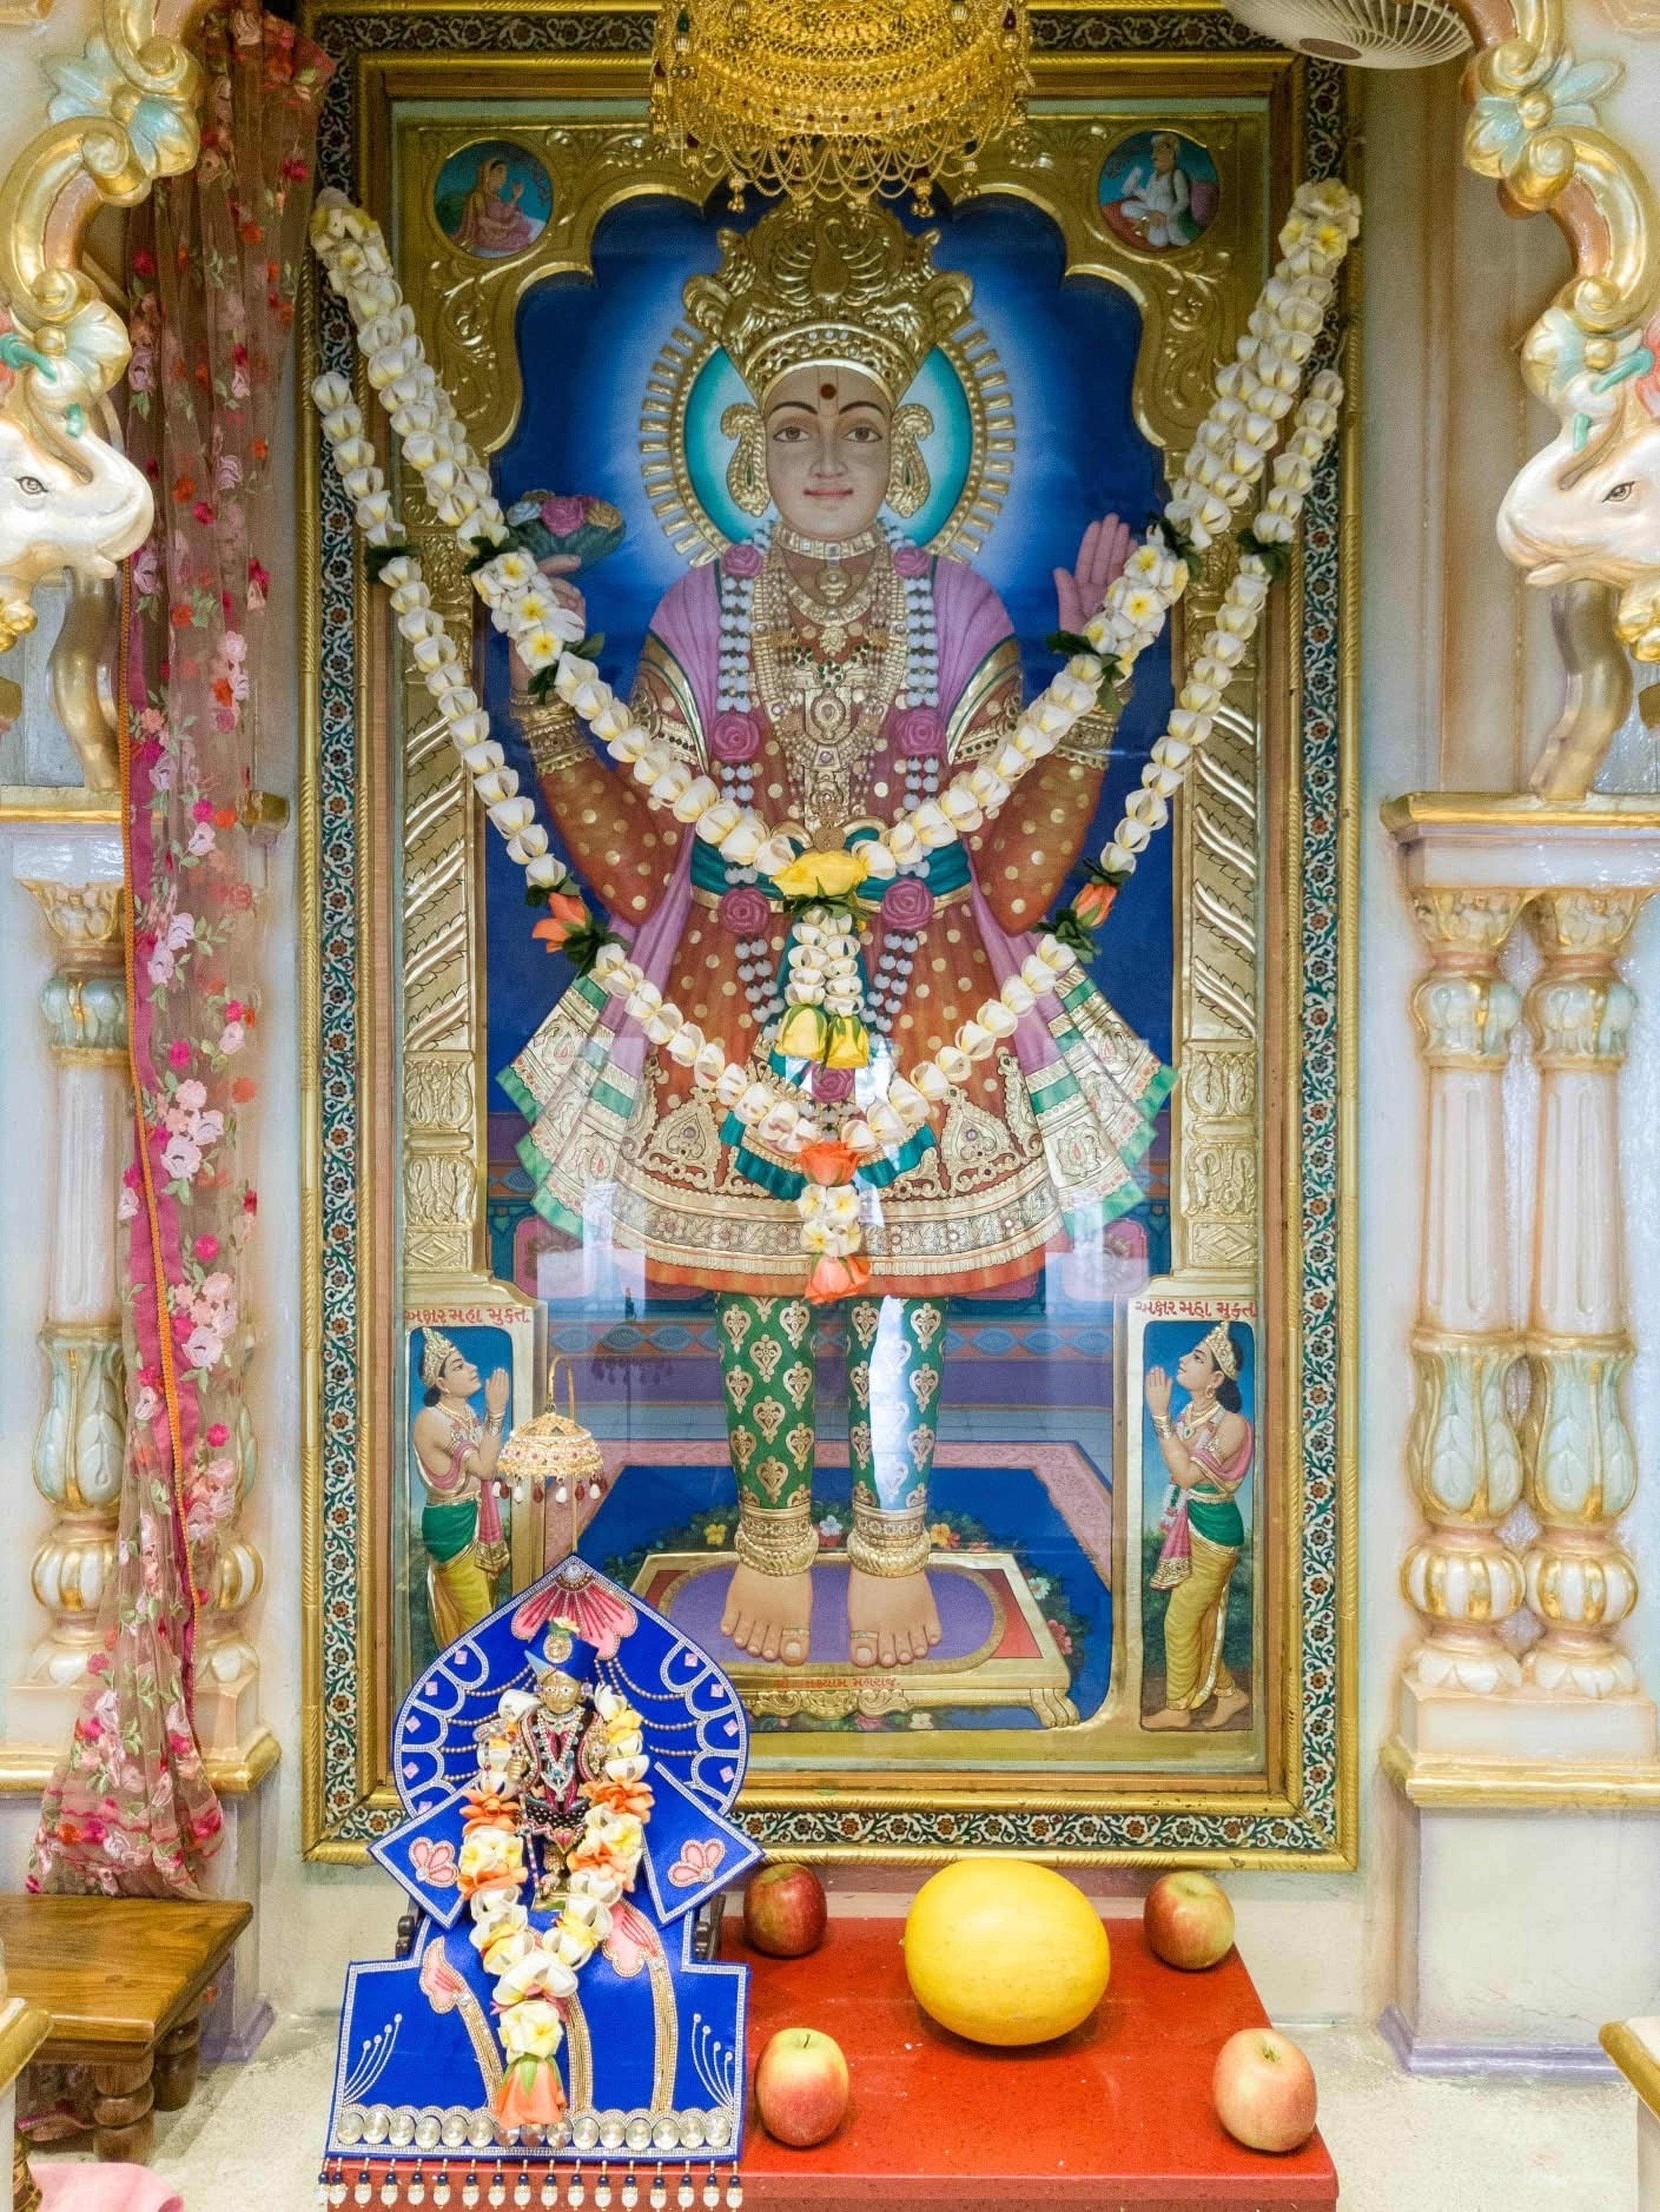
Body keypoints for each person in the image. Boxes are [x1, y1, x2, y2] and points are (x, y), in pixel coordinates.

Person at [505, 203, 1170, 1675]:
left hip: (924, 993)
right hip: (729, 994)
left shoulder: (959, 603)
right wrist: (549, 696)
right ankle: (768, 1534)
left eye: (860, 427)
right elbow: (644, 852)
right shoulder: (701, 606)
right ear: (746, 453)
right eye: (797, 426)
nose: (826, 455)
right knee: (756, 1278)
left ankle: (890, 1535)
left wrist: (1100, 685)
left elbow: (1013, 868)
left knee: (900, 1283)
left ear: (908, 454)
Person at [1143, 1321, 1252, 1730]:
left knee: (1180, 1620)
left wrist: (1158, 1416)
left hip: (1217, 1532)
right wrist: (1168, 1421)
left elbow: (1187, 1476)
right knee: (1201, 1619)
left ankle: (1178, 1708)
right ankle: (1229, 1694)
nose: (1184, 1360)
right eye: (1190, 1353)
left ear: (1216, 1380)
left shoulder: (1233, 1425)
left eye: (1197, 1357)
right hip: (1192, 1523)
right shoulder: (1189, 1414)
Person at [413, 1329, 512, 1643]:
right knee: (479, 1617)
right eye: (459, 1366)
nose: (472, 1368)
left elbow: (491, 1460)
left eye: (466, 1362)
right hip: (453, 1526)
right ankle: (473, 1671)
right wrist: (496, 1412)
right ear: (442, 1384)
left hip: (475, 1518)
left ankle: (468, 1667)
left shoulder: (466, 1413)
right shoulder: (431, 1420)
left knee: (481, 1611)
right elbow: (484, 1468)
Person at [1115, 134, 1197, 251]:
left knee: (1160, 241)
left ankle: (1145, 224)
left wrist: (1166, 217)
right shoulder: (1153, 176)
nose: (1153, 156)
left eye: (1158, 151)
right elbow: (1149, 198)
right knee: (1125, 208)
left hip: (1168, 218)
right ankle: (1148, 221)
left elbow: (1184, 201)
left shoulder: (1177, 175)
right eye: (1153, 152)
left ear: (1171, 154)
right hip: (1151, 212)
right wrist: (1136, 189)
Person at [454, 154, 538, 257]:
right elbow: (482, 221)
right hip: (487, 235)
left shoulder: (496, 197)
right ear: (487, 174)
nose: (503, 179)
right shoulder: (477, 196)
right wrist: (506, 227)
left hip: (499, 232)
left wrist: (515, 197)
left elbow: (504, 215)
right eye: (500, 173)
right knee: (523, 240)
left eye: (505, 176)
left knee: (527, 229)